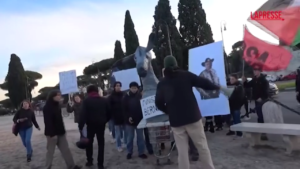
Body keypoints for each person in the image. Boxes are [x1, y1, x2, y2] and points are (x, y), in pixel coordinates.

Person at [155, 55, 219, 169]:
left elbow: (158, 103)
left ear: (165, 67)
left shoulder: (162, 83)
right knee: (202, 147)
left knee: (182, 152)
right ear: (176, 64)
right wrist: (215, 86)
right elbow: (203, 82)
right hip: (193, 117)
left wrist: (169, 111)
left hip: (176, 121)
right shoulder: (186, 75)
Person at [43, 90, 81, 169]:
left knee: (66, 150)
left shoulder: (57, 105)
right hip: (51, 134)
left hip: (61, 132)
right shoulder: (47, 107)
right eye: (58, 95)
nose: (60, 96)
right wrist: (52, 134)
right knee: (50, 152)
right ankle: (47, 167)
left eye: (60, 95)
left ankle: (71, 166)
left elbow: (60, 119)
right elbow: (48, 122)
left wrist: (63, 131)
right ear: (53, 96)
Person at [78, 85, 111, 169]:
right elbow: (109, 113)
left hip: (90, 125)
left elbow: (82, 115)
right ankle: (100, 164)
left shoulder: (86, 101)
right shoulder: (104, 100)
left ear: (88, 92)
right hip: (101, 125)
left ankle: (89, 161)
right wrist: (105, 120)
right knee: (101, 144)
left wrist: (81, 126)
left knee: (89, 143)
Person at [242, 64, 269, 140]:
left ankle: (264, 133)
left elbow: (266, 91)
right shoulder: (254, 80)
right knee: (259, 116)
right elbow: (247, 85)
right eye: (254, 71)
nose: (255, 72)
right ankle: (261, 131)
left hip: (263, 101)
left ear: (259, 71)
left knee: (262, 116)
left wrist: (262, 98)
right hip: (256, 100)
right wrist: (244, 81)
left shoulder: (264, 80)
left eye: (257, 70)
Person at [123, 82, 147, 160]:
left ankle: (141, 152)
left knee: (140, 137)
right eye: (132, 88)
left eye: (135, 88)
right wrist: (128, 117)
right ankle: (129, 152)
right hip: (129, 121)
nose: (134, 89)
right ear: (130, 88)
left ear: (138, 88)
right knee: (130, 138)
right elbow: (124, 109)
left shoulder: (141, 96)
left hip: (139, 120)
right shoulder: (126, 97)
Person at [107, 81, 127, 152]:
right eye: (117, 86)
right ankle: (119, 145)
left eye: (119, 86)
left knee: (126, 132)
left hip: (124, 116)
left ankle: (125, 143)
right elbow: (109, 107)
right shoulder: (111, 97)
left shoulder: (124, 95)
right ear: (114, 87)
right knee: (118, 133)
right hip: (116, 117)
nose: (118, 87)